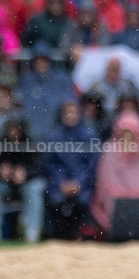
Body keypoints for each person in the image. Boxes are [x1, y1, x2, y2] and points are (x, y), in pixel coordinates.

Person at [91, 112, 139, 234]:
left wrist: (136, 194)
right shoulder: (110, 149)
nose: (127, 137)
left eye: (130, 133)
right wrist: (122, 193)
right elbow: (104, 181)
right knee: (116, 205)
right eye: (124, 133)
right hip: (115, 199)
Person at [0, 116, 46, 243]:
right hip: (3, 185)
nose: (13, 133)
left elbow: (40, 168)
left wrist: (25, 173)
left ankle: (31, 233)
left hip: (26, 185)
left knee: (36, 187)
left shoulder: (32, 144)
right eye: (10, 130)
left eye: (16, 130)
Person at [44, 101, 97, 240]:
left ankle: (81, 235)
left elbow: (91, 165)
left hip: (84, 185)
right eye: (67, 112)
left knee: (83, 201)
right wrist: (61, 183)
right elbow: (51, 165)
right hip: (58, 185)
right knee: (56, 200)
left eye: (73, 112)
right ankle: (58, 236)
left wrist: (79, 183)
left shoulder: (89, 136)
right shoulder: (53, 137)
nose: (71, 116)